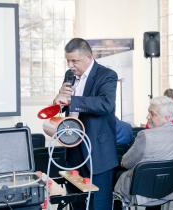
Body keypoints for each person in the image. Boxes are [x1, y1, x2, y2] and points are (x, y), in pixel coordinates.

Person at [53, 38, 118, 210]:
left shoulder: (107, 75)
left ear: (88, 57)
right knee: (77, 202)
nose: (71, 65)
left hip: (97, 153)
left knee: (98, 204)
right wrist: (58, 99)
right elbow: (63, 105)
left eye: (75, 61)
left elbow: (106, 104)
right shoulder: (69, 75)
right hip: (73, 150)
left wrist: (72, 101)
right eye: (68, 61)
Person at [114, 96, 173, 210]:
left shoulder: (145, 136)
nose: (147, 117)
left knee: (115, 171)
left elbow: (126, 163)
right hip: (171, 187)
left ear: (167, 117)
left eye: (152, 114)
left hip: (142, 189)